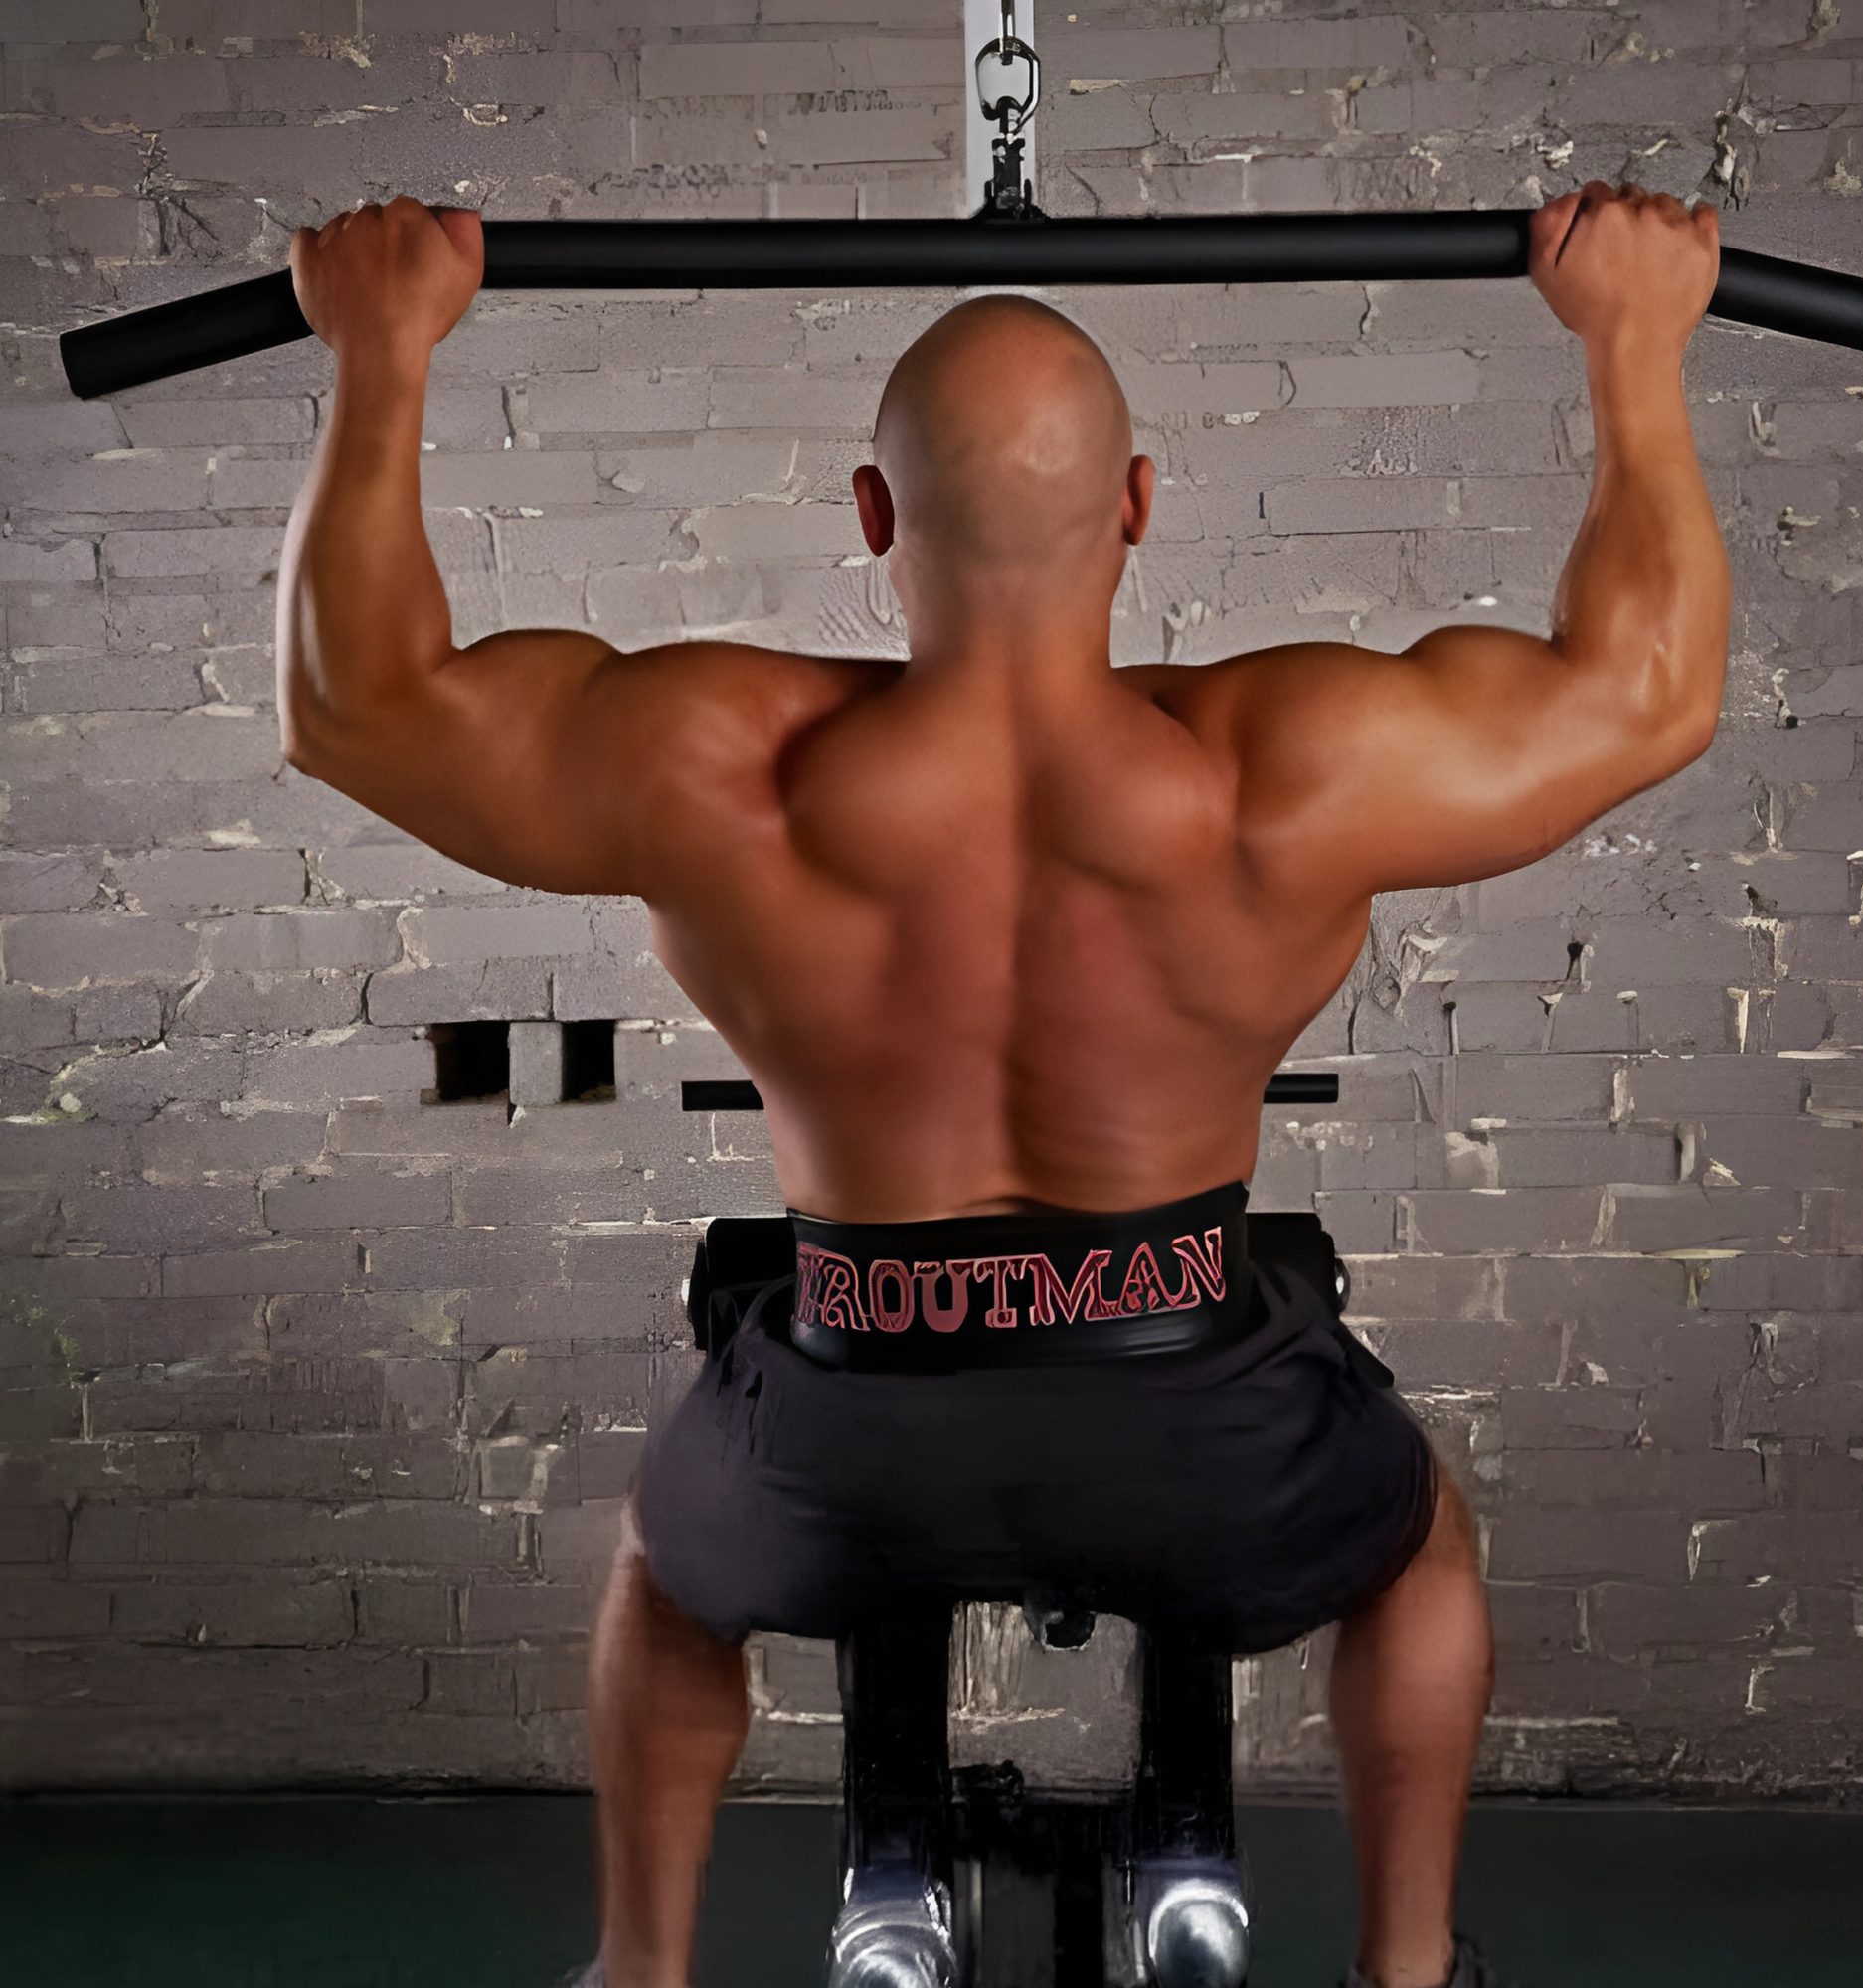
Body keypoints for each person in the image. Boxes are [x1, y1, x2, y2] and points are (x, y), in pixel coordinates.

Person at [280, 183, 1727, 1988]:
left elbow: (360, 705)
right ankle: (1409, 1974)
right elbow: (1651, 689)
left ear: (873, 516)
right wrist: (1634, 346)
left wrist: (384, 353)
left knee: (668, 1562)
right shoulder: (1290, 772)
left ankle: (636, 1976)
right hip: (1199, 1407)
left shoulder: (727, 766)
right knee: (1418, 1543)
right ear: (1139, 506)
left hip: (844, 1425)